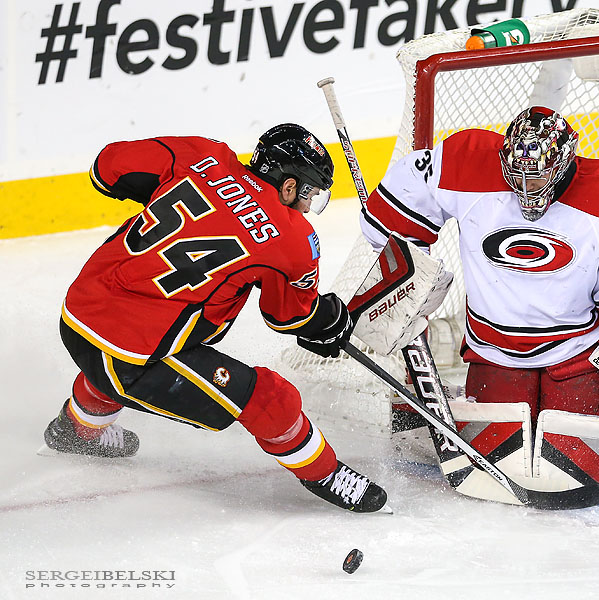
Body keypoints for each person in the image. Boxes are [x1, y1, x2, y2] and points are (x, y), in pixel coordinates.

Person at [43, 123, 388, 513]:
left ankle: (77, 429)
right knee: (269, 397)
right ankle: (326, 474)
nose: (309, 207)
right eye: (310, 193)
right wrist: (329, 321)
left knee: (147, 341)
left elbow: (106, 169)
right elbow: (290, 317)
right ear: (289, 186)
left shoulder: (202, 153)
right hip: (125, 357)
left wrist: (171, 195)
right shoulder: (293, 238)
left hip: (78, 313)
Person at [360, 106, 599, 425]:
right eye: (516, 175)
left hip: (579, 354)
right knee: (494, 441)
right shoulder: (470, 162)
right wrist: (408, 267)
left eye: (535, 178)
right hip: (494, 351)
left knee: (572, 446)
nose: (524, 188)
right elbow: (400, 202)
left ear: (564, 164)